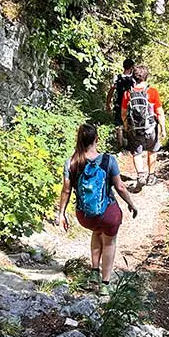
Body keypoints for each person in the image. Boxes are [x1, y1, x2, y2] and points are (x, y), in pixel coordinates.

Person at [57, 124, 138, 296]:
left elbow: (66, 190)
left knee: (97, 231)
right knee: (109, 241)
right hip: (107, 213)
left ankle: (94, 272)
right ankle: (105, 284)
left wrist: (61, 214)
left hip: (85, 216)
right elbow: (120, 187)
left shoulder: (71, 162)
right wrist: (132, 204)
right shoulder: (108, 160)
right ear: (96, 139)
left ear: (79, 139)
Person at [120, 64, 166, 189]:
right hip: (151, 128)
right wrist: (163, 128)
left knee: (137, 153)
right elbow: (159, 112)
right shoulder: (152, 92)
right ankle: (151, 176)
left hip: (134, 129)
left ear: (134, 77)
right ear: (146, 77)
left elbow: (123, 113)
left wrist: (126, 126)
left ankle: (140, 176)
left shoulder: (127, 93)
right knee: (152, 151)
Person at [105, 58, 136, 150]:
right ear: (132, 67)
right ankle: (131, 144)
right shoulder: (134, 79)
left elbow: (111, 91)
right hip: (130, 104)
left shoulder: (117, 77)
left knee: (119, 124)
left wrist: (108, 103)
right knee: (130, 123)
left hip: (118, 104)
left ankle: (120, 145)